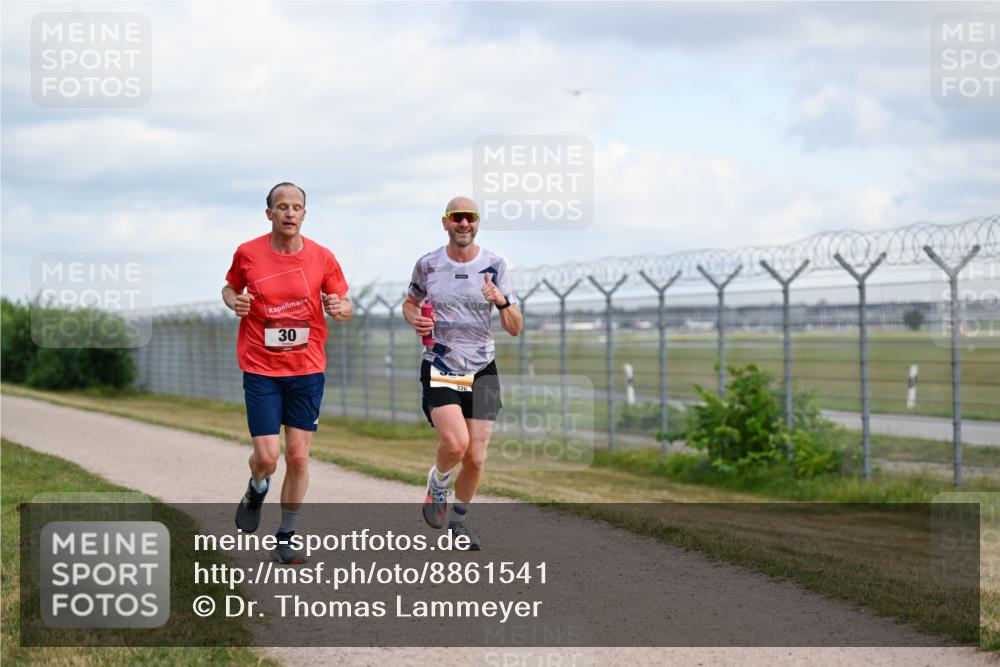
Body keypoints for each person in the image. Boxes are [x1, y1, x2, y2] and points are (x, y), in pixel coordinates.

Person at [223, 182, 352, 564]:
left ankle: (287, 534)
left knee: (298, 457)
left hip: (307, 369)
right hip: (261, 368)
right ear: (269, 214)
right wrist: (236, 302)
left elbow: (345, 303)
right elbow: (229, 288)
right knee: (267, 456)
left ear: (305, 214)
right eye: (282, 207)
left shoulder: (322, 257)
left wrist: (339, 307)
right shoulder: (248, 253)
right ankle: (256, 486)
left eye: (297, 207)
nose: (290, 213)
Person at [403, 195, 522, 550]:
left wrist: (500, 300)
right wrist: (415, 318)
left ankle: (459, 521)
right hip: (441, 364)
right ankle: (438, 482)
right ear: (446, 222)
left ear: (477, 223)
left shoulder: (495, 265)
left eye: (470, 217)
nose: (464, 223)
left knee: (477, 456)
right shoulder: (427, 265)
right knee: (456, 444)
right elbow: (409, 303)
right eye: (457, 217)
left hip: (482, 367)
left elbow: (515, 326)